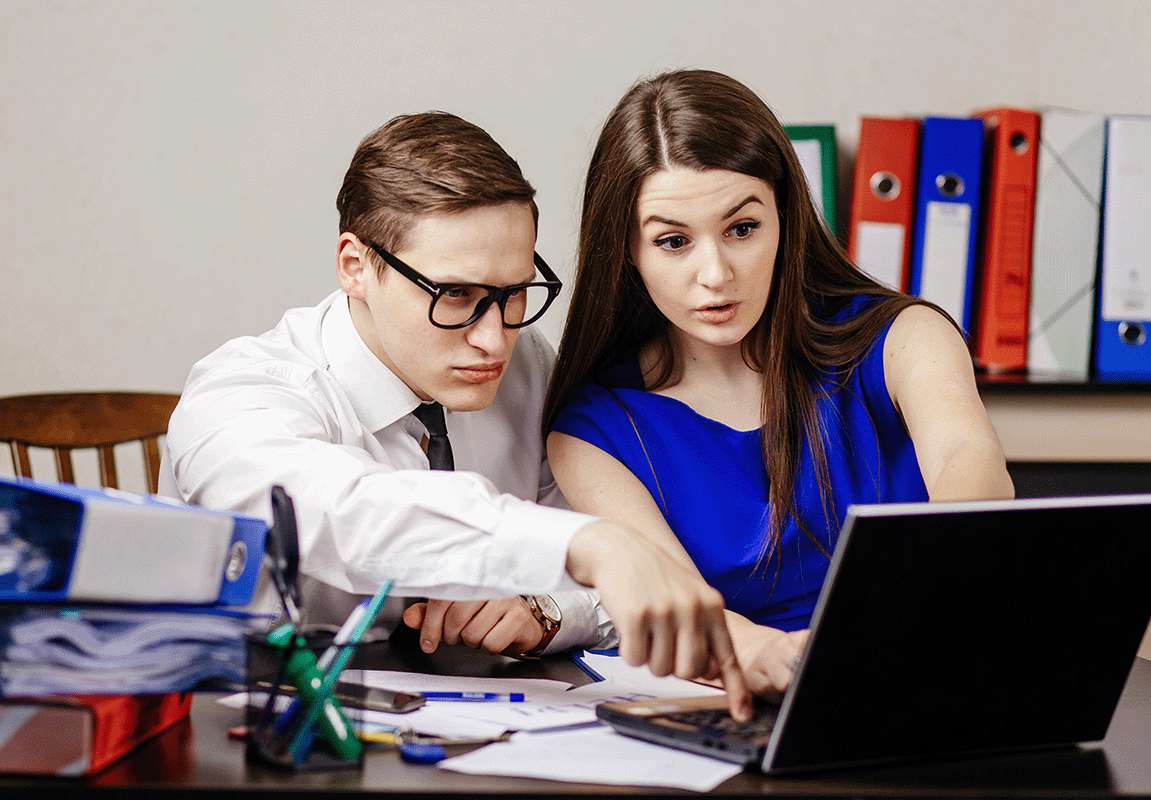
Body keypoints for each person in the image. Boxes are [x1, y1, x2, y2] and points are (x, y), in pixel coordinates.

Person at [160, 111, 751, 718]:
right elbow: (342, 513)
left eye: (515, 292)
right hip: (244, 731)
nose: (495, 340)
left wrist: (543, 609)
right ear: (355, 266)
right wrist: (584, 544)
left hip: (465, 731)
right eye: (457, 296)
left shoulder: (526, 368)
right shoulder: (241, 392)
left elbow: (607, 593)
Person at [543, 70, 1015, 699]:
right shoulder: (593, 432)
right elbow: (684, 614)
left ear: (785, 219)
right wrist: (788, 660)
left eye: (742, 229)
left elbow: (970, 468)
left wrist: (900, 624)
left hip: (943, 670)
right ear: (628, 250)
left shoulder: (904, 337)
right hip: (759, 705)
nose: (716, 274)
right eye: (673, 241)